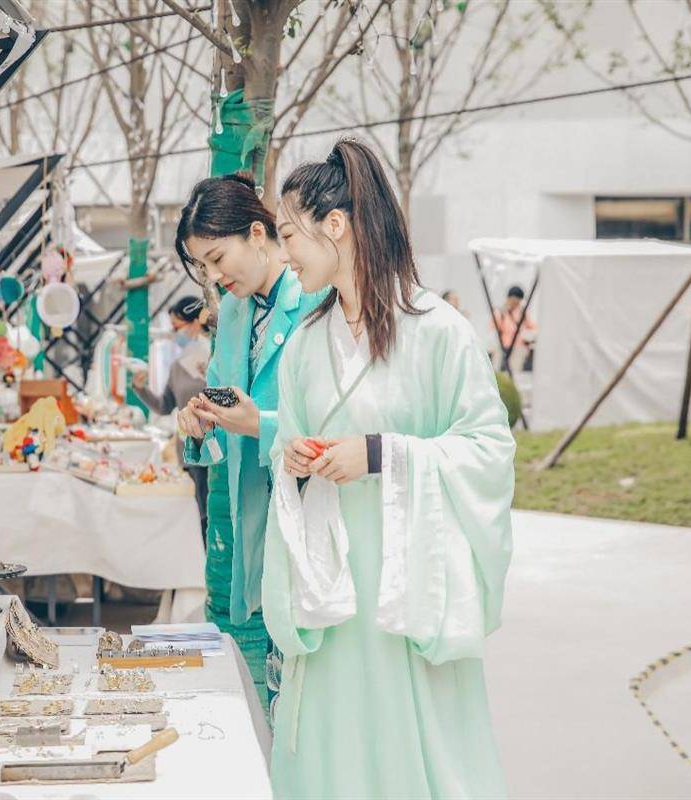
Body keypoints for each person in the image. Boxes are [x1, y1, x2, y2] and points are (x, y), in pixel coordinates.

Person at [265, 139, 514, 798]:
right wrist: (294, 460)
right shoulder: (305, 344)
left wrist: (379, 454)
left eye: (288, 235)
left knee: (416, 749)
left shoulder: (438, 331)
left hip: (409, 590)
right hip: (335, 590)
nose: (285, 255)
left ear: (335, 226)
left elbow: (488, 447)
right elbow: (287, 440)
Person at [172, 172, 326, 705]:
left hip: (309, 522)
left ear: (258, 234)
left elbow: (333, 423)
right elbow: (224, 403)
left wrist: (259, 423)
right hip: (250, 527)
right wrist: (202, 423)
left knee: (303, 691)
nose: (214, 277)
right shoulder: (234, 312)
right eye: (203, 267)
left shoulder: (316, 300)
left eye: (218, 258)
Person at [131, 295, 212, 538]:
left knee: (211, 516)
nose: (176, 335)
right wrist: (140, 388)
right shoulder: (178, 365)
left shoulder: (215, 358)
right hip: (187, 450)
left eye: (178, 327)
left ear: (196, 322)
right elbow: (165, 406)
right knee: (196, 515)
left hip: (213, 448)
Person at [492, 284, 537, 373]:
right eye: (513, 300)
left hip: (518, 347)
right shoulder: (500, 312)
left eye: (517, 301)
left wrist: (527, 334)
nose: (515, 303)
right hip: (502, 346)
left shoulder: (523, 313)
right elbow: (493, 328)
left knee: (515, 371)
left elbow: (534, 327)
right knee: (496, 369)